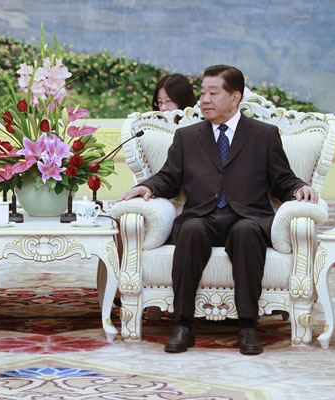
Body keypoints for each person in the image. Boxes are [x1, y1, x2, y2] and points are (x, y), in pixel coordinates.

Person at [118, 65, 318, 355]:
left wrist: (298, 187)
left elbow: (281, 178)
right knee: (189, 230)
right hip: (204, 215)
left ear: (235, 97)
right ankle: (183, 323)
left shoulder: (264, 135)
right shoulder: (187, 137)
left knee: (247, 233)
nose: (204, 100)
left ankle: (248, 326)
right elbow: (170, 177)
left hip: (247, 216)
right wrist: (148, 187)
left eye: (213, 93)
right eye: (202, 93)